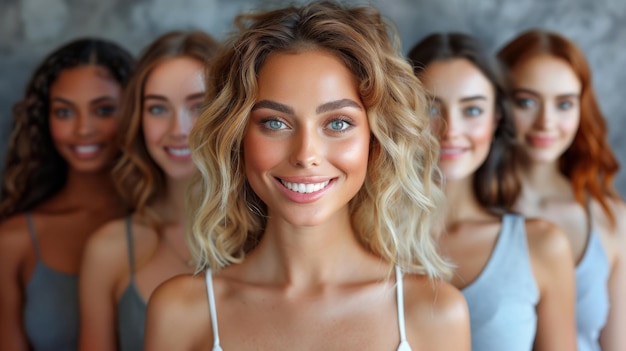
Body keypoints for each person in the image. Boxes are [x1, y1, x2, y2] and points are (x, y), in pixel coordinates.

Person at [143, 1, 471, 350]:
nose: (305, 155)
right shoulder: (181, 311)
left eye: (338, 123)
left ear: (375, 141)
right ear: (237, 138)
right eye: (275, 123)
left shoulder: (434, 313)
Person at [407, 32, 577, 351]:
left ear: (496, 119)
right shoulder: (370, 242)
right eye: (431, 108)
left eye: (472, 110)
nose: (451, 130)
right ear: (403, 115)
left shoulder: (541, 245)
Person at [77, 31, 221, 351]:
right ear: (138, 120)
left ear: (227, 112)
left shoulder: (270, 236)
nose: (177, 130)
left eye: (197, 106)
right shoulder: (109, 249)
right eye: (158, 109)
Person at [0, 38, 134, 350]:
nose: (83, 129)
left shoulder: (165, 225)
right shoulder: (13, 240)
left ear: (134, 111)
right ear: (44, 121)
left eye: (103, 110)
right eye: (64, 112)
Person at [497, 29, 626, 351]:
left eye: (564, 104)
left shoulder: (612, 219)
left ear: (582, 109)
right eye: (526, 101)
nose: (546, 122)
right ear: (497, 103)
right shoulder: (464, 209)